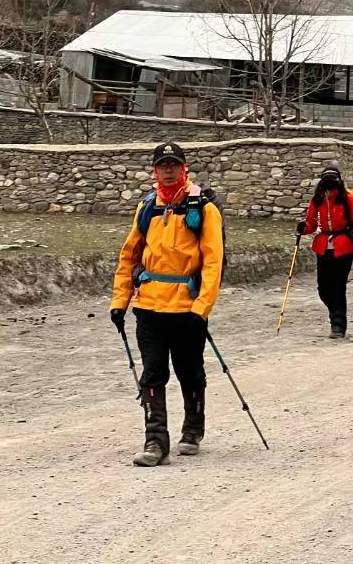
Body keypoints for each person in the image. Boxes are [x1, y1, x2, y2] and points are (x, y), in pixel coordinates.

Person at [110, 142, 224, 466]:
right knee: (153, 373)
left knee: (190, 372)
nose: (169, 169)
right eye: (163, 165)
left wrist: (202, 308)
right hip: (148, 306)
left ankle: (193, 430)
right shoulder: (147, 207)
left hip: (187, 309)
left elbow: (213, 261)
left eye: (174, 164)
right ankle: (155, 441)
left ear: (184, 168)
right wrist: (119, 301)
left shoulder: (204, 209)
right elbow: (128, 255)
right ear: (155, 170)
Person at [296, 166, 353, 339]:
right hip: (323, 245)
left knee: (338, 285)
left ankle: (338, 325)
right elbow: (311, 223)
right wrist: (303, 228)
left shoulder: (347, 197)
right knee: (323, 288)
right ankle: (335, 312)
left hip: (344, 245)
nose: (330, 187)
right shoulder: (318, 199)